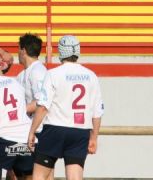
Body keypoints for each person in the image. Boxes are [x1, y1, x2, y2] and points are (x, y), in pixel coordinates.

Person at [27, 36, 104, 180]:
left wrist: (32, 131)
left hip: (55, 129)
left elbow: (43, 106)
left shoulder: (53, 74)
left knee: (39, 175)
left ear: (61, 52)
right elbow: (97, 113)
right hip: (80, 131)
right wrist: (94, 137)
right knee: (75, 177)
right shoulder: (91, 76)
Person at [17, 33, 47, 117]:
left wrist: (16, 111)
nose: (17, 53)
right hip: (28, 125)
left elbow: (41, 102)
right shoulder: (22, 74)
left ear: (23, 51)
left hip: (39, 128)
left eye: (18, 49)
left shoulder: (38, 71)